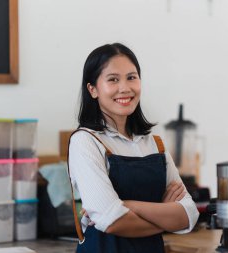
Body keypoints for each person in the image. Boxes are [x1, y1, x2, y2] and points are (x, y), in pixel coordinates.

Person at [68, 43, 199, 253]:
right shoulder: (85, 141)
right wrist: (167, 215)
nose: (125, 88)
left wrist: (128, 205)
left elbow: (189, 215)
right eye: (113, 79)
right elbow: (112, 220)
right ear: (92, 89)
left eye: (132, 77)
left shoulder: (153, 143)